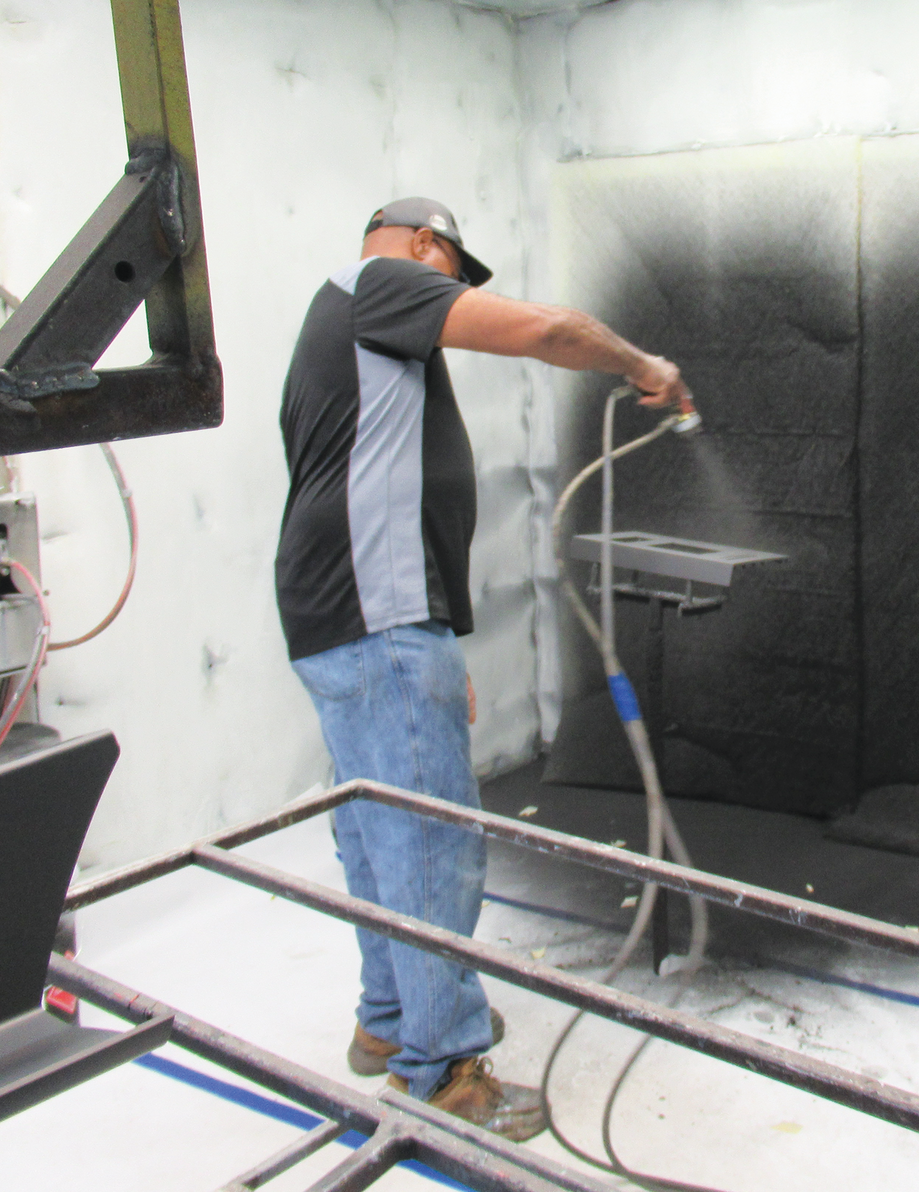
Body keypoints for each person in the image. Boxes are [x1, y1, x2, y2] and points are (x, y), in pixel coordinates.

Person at [274, 197, 687, 1141]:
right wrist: (640, 365)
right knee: (431, 842)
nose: (453, 297)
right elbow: (548, 331)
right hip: (375, 622)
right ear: (426, 247)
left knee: (378, 828)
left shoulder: (344, 332)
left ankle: (390, 1024)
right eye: (454, 274)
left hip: (349, 619)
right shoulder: (380, 285)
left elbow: (372, 495)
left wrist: (433, 641)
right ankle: (445, 1071)